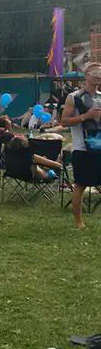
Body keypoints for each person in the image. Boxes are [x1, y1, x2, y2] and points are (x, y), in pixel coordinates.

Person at [60, 62, 101, 229]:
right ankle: (79, 221)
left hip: (100, 147)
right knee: (81, 185)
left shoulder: (100, 97)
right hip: (82, 148)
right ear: (86, 75)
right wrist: (86, 116)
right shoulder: (74, 97)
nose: (98, 76)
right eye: (95, 72)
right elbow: (64, 121)